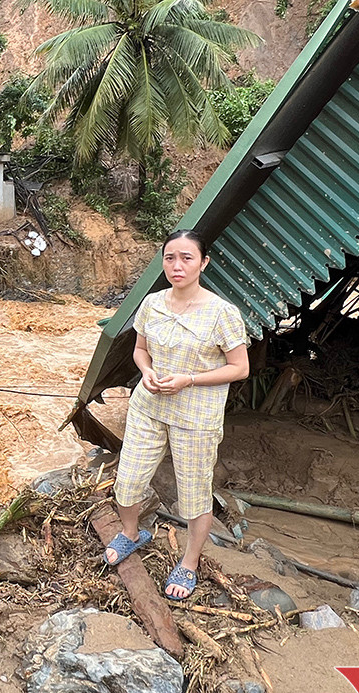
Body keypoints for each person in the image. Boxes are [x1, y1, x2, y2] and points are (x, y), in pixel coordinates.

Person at [102, 229, 249, 600]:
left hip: (196, 415)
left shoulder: (222, 313)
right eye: (170, 258)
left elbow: (239, 367)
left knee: (196, 494)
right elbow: (140, 350)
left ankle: (189, 563)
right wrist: (146, 371)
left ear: (204, 262)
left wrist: (190, 379)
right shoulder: (152, 304)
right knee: (129, 480)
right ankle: (132, 533)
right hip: (148, 406)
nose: (177, 265)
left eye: (186, 258)